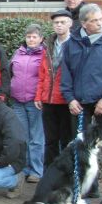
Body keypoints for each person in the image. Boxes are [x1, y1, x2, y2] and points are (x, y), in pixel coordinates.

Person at [60, 3, 102, 204]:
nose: (100, 23)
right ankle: (87, 188)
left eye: (101, 19)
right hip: (79, 104)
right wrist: (70, 99)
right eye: (95, 20)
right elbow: (66, 75)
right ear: (84, 23)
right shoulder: (71, 44)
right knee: (81, 148)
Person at [35, 9, 73, 168]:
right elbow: (42, 73)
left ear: (70, 24)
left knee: (66, 142)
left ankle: (66, 176)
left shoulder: (76, 44)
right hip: (49, 101)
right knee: (50, 142)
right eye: (56, 22)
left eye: (62, 22)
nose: (59, 25)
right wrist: (39, 95)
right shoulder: (48, 45)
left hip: (66, 100)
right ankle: (49, 177)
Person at [9, 23, 46, 183]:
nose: (31, 39)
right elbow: (10, 72)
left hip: (35, 102)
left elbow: (45, 78)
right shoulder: (18, 53)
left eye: (34, 37)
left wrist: (40, 97)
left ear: (41, 38)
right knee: (22, 137)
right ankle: (23, 169)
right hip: (17, 101)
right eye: (28, 36)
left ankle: (36, 171)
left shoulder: (45, 54)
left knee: (36, 138)